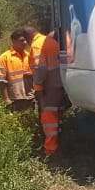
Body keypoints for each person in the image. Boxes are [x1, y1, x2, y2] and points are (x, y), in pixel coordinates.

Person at [32, 23, 64, 157]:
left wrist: (38, 86)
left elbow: (41, 68)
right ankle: (59, 143)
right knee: (57, 115)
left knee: (48, 117)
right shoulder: (52, 42)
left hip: (49, 87)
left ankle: (50, 150)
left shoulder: (37, 44)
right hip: (60, 85)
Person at [0, 29, 35, 111]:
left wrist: (32, 74)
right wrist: (6, 99)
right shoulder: (4, 57)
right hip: (14, 98)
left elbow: (36, 75)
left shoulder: (29, 56)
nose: (25, 43)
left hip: (30, 97)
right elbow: (1, 81)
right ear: (14, 41)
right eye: (21, 40)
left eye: (26, 40)